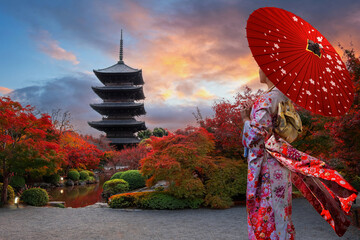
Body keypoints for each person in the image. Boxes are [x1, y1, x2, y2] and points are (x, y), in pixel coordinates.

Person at [241, 69, 358, 240]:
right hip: (280, 160)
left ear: (269, 71)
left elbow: (256, 136)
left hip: (267, 164)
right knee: (281, 209)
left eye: (261, 66)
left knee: (266, 209)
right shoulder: (283, 97)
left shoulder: (267, 99)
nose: (259, 69)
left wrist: (245, 119)